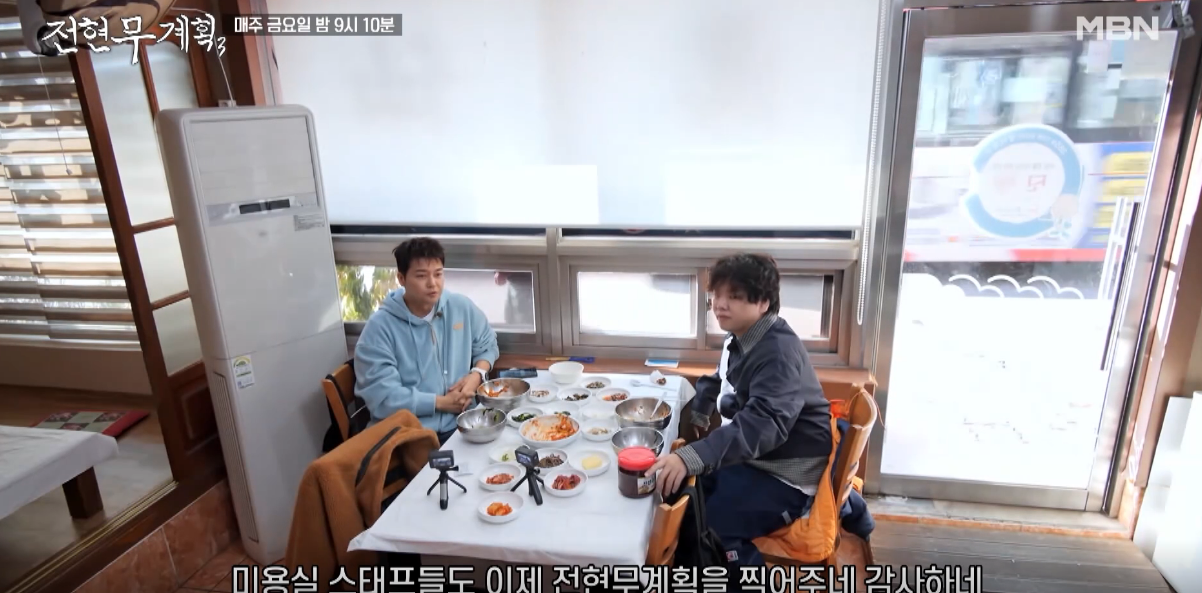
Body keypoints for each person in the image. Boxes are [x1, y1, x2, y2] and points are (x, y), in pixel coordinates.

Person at [647, 253, 837, 569]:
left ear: (763, 302)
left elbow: (763, 425)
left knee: (714, 525)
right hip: (760, 458)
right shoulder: (745, 334)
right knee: (688, 500)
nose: (720, 304)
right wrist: (701, 410)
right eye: (716, 294)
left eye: (734, 296)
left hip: (786, 474)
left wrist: (692, 455)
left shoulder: (778, 353)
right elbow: (722, 374)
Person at [354, 237, 500, 446]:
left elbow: (488, 344)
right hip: (410, 436)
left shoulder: (460, 307)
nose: (433, 283)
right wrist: (440, 403)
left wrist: (476, 375)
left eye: (438, 274)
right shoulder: (379, 328)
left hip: (465, 424)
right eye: (421, 276)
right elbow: (384, 398)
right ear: (401, 278)